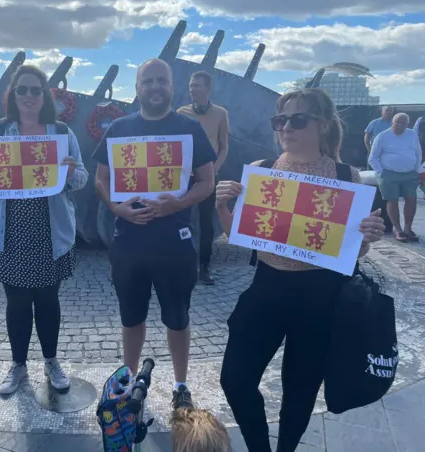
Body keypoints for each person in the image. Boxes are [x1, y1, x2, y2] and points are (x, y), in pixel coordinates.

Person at [215, 88, 386, 452]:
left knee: (300, 391)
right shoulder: (261, 172)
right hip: (267, 288)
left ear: (323, 125)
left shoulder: (347, 176)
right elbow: (240, 236)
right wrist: (222, 207)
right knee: (235, 379)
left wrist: (369, 234)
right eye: (280, 120)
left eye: (297, 119)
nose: (285, 127)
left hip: (321, 296)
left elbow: (354, 250)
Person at [93, 58, 217, 410]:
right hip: (128, 243)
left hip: (173, 243)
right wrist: (116, 209)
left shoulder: (190, 129)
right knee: (131, 318)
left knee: (178, 319)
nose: (155, 87)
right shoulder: (118, 128)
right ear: (137, 88)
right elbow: (101, 180)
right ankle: (127, 381)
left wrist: (175, 204)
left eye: (161, 81)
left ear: (172, 85)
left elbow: (207, 183)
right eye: (148, 81)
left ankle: (180, 385)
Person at [0, 65, 88, 395]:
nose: (28, 96)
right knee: (17, 302)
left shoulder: (61, 133)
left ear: (45, 95)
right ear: (12, 94)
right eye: (22, 89)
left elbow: (81, 179)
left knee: (48, 300)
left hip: (49, 232)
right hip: (9, 231)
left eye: (35, 90)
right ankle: (18, 365)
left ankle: (51, 362)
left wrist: (69, 174)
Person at [177, 71, 229, 285]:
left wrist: (214, 170)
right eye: (191, 85)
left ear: (207, 88)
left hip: (208, 177)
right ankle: (182, 265)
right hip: (184, 177)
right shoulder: (181, 112)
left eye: (197, 85)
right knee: (181, 221)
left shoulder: (220, 113)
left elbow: (224, 146)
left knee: (207, 223)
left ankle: (205, 267)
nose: (192, 89)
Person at [369, 112, 422, 242]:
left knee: (411, 199)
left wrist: (416, 170)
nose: (399, 125)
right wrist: (381, 172)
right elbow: (373, 158)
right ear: (392, 122)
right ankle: (397, 229)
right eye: (397, 122)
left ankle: (408, 229)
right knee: (392, 200)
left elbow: (418, 152)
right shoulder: (382, 136)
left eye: (402, 123)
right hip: (388, 174)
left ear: (407, 124)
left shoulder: (412, 134)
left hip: (409, 173)